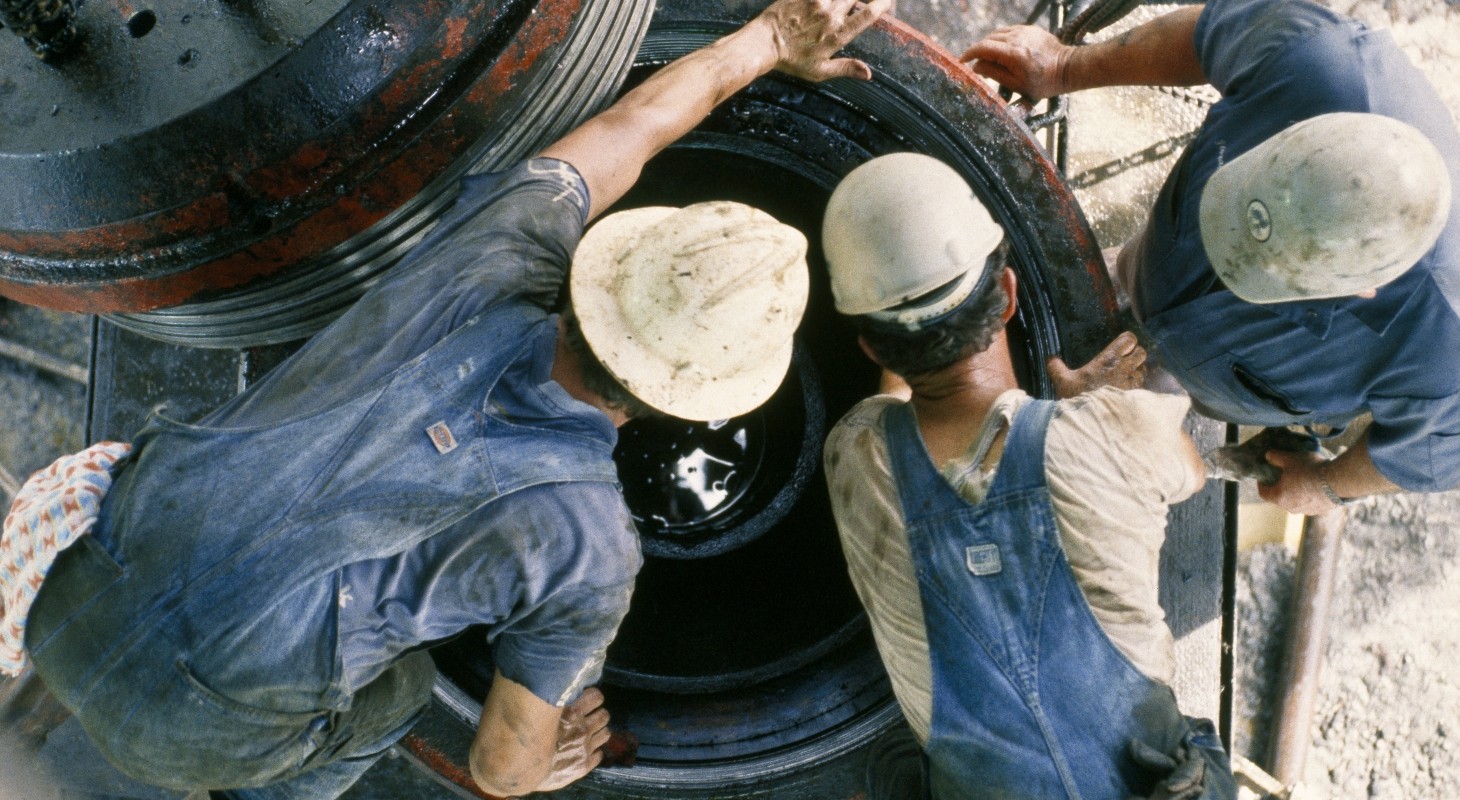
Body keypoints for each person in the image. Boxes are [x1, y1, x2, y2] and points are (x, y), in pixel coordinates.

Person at [0, 0, 890, 797]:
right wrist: (547, 766)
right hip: (189, 743)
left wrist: (772, 36)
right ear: (702, 406)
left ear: (608, 270)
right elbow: (499, 772)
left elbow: (634, 125)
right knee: (404, 695)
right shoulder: (591, 551)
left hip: (70, 590)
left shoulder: (503, 245)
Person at [820, 152, 1235, 799]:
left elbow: (893, 411)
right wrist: (1080, 411)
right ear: (1010, 294)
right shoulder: (1113, 432)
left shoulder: (855, 455)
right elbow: (1191, 470)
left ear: (871, 348)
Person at [962, 0, 1458, 515]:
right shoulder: (1314, 59)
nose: (1233, 262)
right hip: (1151, 267)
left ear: (1364, 286)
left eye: (1266, 268)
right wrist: (1065, 67)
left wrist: (1327, 483)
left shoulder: (1447, 351)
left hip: (1227, 379)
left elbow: (1437, 453)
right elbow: (1208, 33)